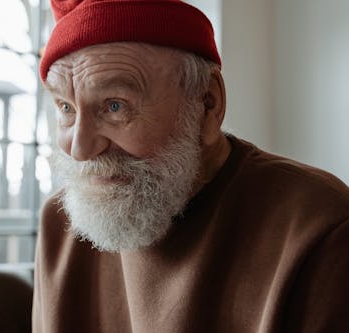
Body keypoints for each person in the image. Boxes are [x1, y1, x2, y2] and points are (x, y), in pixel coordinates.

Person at [32, 1, 349, 332]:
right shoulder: (60, 223)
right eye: (65, 107)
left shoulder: (322, 228)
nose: (80, 149)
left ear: (207, 104)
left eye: (114, 106)